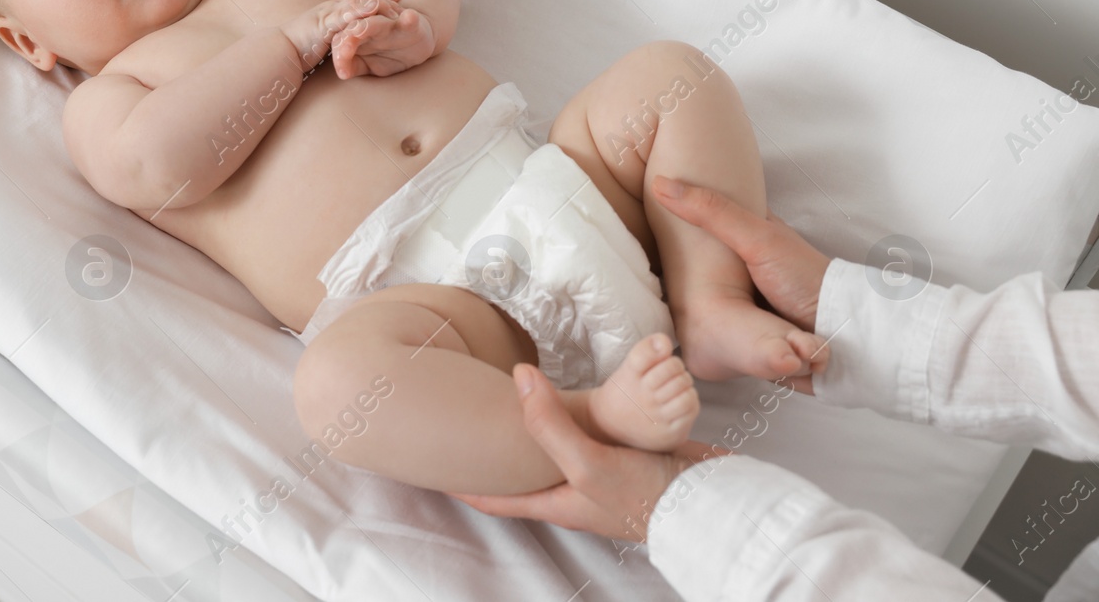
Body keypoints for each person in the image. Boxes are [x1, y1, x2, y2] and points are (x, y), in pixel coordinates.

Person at [0, 0, 824, 498]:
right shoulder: (114, 95)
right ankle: (586, 419)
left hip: (559, 185)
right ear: (29, 42)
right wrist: (289, 48)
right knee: (338, 389)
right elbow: (160, 166)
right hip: (444, 314)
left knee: (668, 76)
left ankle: (706, 296)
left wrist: (415, 12)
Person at [454, 173, 1099, 601]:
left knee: (675, 76)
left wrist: (673, 505)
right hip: (453, 286)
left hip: (515, 201)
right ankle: (707, 309)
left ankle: (704, 307)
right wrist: (850, 318)